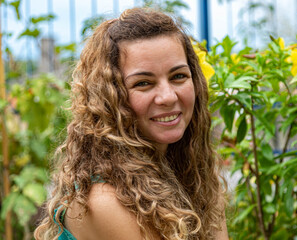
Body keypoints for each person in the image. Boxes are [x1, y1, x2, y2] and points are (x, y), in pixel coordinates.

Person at [34, 7, 228, 240]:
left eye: (178, 76)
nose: (168, 96)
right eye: (143, 83)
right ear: (109, 98)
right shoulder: (105, 201)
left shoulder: (195, 176)